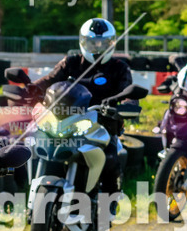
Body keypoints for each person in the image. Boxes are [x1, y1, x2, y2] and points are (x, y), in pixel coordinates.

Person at [33, 17, 134, 194]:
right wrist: (29, 89)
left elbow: (128, 92)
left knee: (111, 159)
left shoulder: (119, 67)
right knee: (36, 143)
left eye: (103, 43)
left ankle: (109, 202)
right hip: (66, 121)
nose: (97, 47)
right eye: (92, 43)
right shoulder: (70, 62)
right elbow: (49, 80)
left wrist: (128, 105)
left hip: (103, 125)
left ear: (111, 43)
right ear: (83, 42)